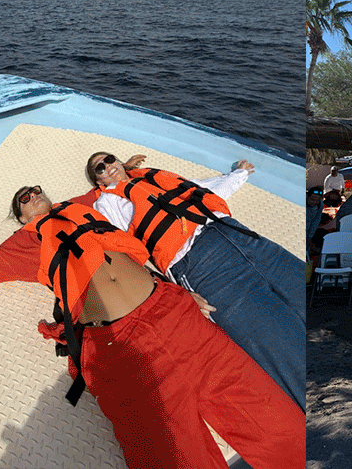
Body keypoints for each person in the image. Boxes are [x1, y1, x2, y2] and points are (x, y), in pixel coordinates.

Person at [0, 184, 304, 469]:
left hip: (172, 313)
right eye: (23, 197)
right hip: (120, 346)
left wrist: (125, 168)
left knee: (279, 426)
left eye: (37, 188)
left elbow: (110, 185)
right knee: (172, 456)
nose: (33, 194)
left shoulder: (82, 207)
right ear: (20, 215)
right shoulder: (23, 245)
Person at [82, 151, 305, 410]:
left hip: (239, 234)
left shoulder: (153, 178)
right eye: (100, 168)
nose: (108, 166)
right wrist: (175, 293)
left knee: (301, 289)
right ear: (98, 181)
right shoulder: (107, 205)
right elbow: (122, 255)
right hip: (201, 263)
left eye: (110, 159)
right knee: (278, 341)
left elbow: (200, 189)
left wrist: (238, 174)